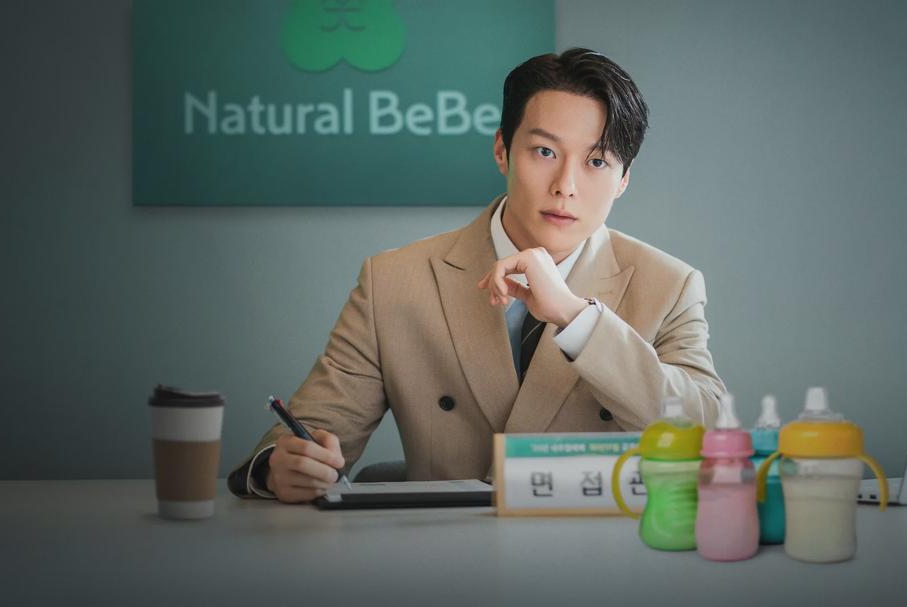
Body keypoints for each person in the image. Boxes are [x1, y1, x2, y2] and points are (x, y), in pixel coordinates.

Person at [228, 48, 726, 503]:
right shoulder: (393, 281)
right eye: (545, 152)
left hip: (597, 553)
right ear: (502, 150)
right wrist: (281, 466)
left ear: (623, 181)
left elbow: (707, 434)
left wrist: (577, 318)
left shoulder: (669, 286)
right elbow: (313, 428)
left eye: (597, 161)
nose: (566, 186)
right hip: (439, 553)